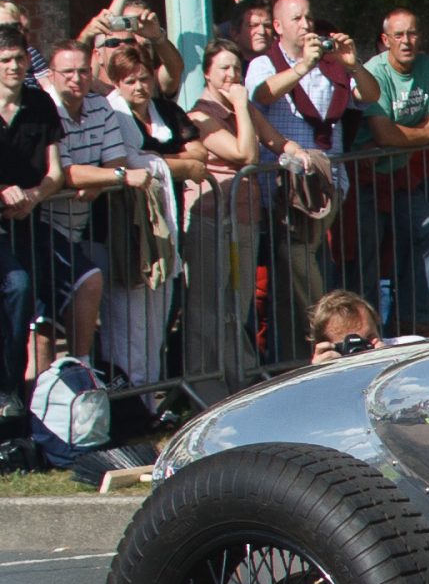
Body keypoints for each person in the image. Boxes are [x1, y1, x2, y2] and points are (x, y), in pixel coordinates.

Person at [248, 0, 373, 331]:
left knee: (296, 253)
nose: (306, 25)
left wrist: (352, 64)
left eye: (308, 18)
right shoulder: (264, 62)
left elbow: (370, 96)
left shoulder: (329, 65)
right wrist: (302, 65)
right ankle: (327, 330)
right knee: (290, 264)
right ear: (277, 26)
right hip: (279, 184)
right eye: (296, 19)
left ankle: (329, 330)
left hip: (325, 181)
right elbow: (261, 94)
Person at [187, 39, 308, 387]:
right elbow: (245, 155)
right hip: (212, 219)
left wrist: (297, 152)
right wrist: (241, 104)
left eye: (236, 68)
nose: (232, 75)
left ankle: (237, 378)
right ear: (207, 74)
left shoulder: (246, 109)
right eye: (224, 68)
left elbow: (275, 141)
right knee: (208, 307)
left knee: (237, 308)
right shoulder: (201, 114)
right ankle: (206, 384)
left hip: (245, 218)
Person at [37, 40, 149, 373]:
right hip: (41, 224)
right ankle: (70, 381)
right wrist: (113, 177)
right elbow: (68, 174)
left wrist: (99, 178)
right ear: (52, 75)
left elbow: (114, 159)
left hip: (79, 226)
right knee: (48, 318)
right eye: (67, 72)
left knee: (61, 312)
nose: (76, 79)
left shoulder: (100, 105)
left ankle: (79, 380)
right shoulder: (46, 108)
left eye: (83, 71)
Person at [95, 44, 202, 385]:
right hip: (125, 228)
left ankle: (150, 395)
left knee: (158, 316)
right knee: (127, 320)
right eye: (129, 81)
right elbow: (127, 161)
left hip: (164, 226)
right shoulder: (111, 115)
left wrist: (164, 164)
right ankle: (131, 396)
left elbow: (199, 155)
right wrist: (178, 164)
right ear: (116, 83)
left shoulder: (164, 112)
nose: (139, 86)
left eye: (143, 78)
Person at [360, 9, 429, 335]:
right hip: (364, 179)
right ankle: (369, 334)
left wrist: (412, 135)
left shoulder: (427, 66)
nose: (406, 41)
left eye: (412, 34)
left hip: (398, 177)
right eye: (399, 35)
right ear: (385, 40)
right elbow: (386, 133)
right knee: (369, 256)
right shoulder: (375, 71)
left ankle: (416, 317)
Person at [0, 25, 63, 399]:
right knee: (17, 285)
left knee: (28, 311)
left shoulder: (40, 104)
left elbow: (55, 172)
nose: (13, 67)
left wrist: (34, 196)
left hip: (30, 221)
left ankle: (17, 398)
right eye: (5, 60)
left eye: (19, 59)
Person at [306, 288, 380, 364]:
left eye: (370, 338)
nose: (361, 353)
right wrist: (322, 371)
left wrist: (387, 359)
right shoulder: (322, 371)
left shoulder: (391, 351)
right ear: (326, 350)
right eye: (350, 345)